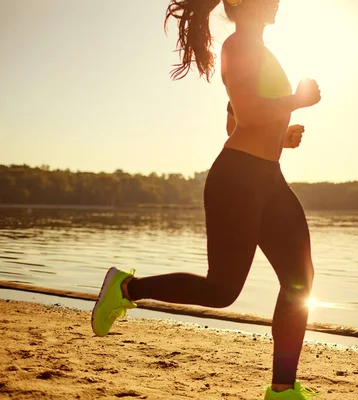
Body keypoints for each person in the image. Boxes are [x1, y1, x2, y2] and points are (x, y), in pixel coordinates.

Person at [91, 0, 322, 398]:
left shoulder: (259, 49)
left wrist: (281, 136)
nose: (277, 1)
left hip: (269, 178)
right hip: (238, 179)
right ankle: (126, 288)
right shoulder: (238, 46)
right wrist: (296, 101)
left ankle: (283, 390)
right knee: (222, 290)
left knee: (299, 281)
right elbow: (248, 117)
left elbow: (234, 119)